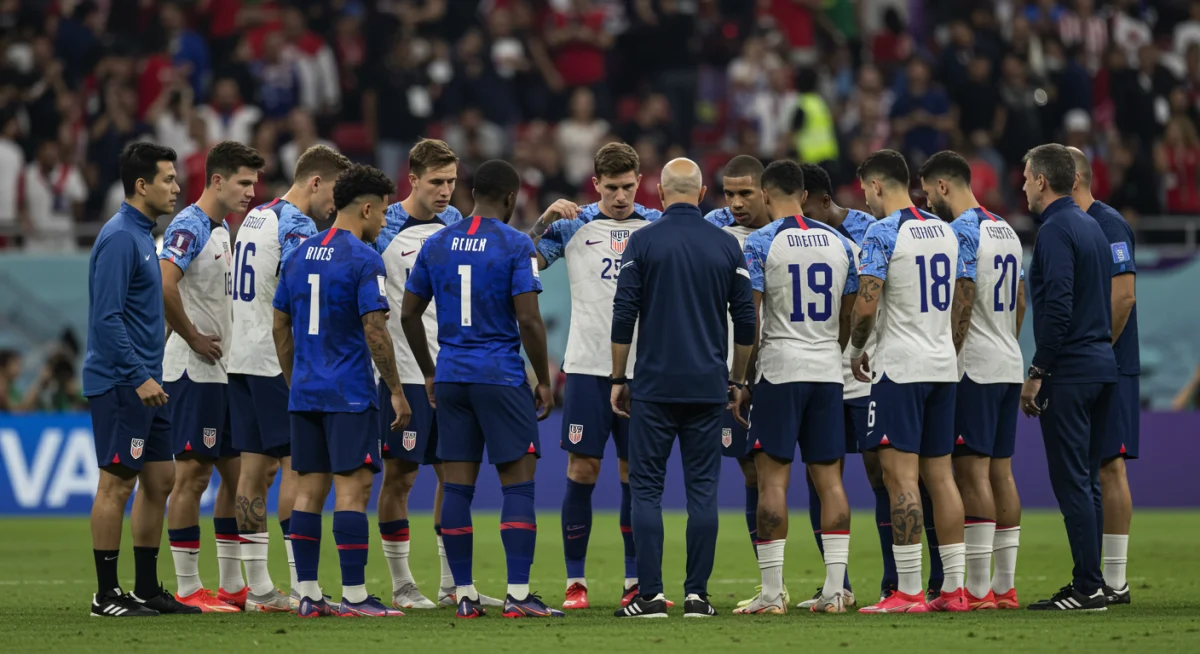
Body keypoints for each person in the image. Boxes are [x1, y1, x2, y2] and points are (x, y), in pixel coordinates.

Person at [400, 159, 562, 620]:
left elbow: (409, 314)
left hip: (451, 376)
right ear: (511, 198)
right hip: (500, 376)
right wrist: (543, 379)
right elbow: (529, 319)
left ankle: (465, 595)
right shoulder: (515, 244)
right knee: (518, 486)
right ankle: (518, 594)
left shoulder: (437, 243)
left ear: (471, 194)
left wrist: (429, 372)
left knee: (456, 487)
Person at [611, 157, 756, 619]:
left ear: (658, 191)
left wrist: (618, 377)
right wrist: (737, 379)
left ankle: (650, 597)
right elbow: (746, 320)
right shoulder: (726, 244)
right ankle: (697, 597)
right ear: (702, 192)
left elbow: (624, 314)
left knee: (646, 491)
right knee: (703, 494)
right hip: (707, 387)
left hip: (653, 387)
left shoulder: (642, 241)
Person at [527, 142, 664, 610]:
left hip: (642, 371)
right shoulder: (572, 224)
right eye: (611, 188)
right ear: (595, 185)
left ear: (639, 181)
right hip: (587, 368)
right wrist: (543, 219)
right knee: (582, 470)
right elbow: (519, 261)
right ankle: (575, 582)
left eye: (627, 186)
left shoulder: (656, 225)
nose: (621, 197)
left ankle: (634, 580)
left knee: (633, 475)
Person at [272, 164, 410, 618]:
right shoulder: (365, 259)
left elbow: (280, 325)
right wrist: (396, 390)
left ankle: (309, 594)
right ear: (366, 208)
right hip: (349, 391)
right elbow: (375, 329)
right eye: (383, 212)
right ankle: (354, 595)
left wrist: (294, 379)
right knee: (355, 488)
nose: (385, 221)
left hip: (305, 391)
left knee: (309, 490)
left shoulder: (298, 255)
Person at [373, 139, 504, 610]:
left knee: (454, 474)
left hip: (449, 372)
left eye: (452, 181)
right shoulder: (383, 227)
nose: (446, 190)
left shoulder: (455, 225)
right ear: (413, 180)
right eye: (436, 182)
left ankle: (452, 583)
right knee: (401, 477)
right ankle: (402, 584)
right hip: (406, 374)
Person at [227, 144, 352, 612]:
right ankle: (304, 586)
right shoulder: (297, 226)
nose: (335, 206)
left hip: (241, 358)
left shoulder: (257, 216)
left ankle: (259, 588)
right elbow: (305, 292)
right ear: (315, 182)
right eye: (334, 193)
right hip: (276, 363)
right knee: (300, 470)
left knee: (252, 472)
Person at [732, 160, 858, 616]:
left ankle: (771, 594)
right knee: (830, 481)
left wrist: (741, 378)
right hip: (827, 370)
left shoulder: (761, 242)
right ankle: (836, 591)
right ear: (804, 195)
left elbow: (750, 316)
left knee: (773, 481)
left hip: (780, 369)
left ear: (766, 196)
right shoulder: (841, 243)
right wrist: (831, 349)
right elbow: (850, 313)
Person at [849, 149, 968, 614]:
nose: (866, 199)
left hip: (900, 368)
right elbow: (961, 299)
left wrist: (856, 350)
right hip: (942, 366)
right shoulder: (946, 230)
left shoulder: (882, 233)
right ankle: (955, 590)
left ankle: (910, 591)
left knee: (900, 478)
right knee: (941, 477)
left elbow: (865, 306)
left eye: (865, 190)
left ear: (877, 185)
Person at [84, 142, 198, 617]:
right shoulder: (119, 238)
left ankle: (147, 588)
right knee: (117, 483)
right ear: (141, 185)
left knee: (161, 479)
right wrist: (137, 376)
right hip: (122, 383)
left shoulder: (143, 237)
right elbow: (106, 318)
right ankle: (106, 595)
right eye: (168, 179)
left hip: (150, 381)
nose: (176, 187)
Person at [920, 151, 1026, 610]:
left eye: (929, 193)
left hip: (974, 367)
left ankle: (979, 591)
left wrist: (951, 353)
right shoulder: (1007, 229)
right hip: (1008, 360)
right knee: (1002, 473)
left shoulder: (960, 232)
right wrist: (1005, 341)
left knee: (971, 473)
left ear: (944, 186)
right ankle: (1004, 587)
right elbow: (1020, 298)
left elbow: (962, 297)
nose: (928, 203)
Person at [160, 142, 262, 613]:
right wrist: (194, 337)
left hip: (222, 372)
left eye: (254, 183)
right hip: (192, 371)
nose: (251, 192)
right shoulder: (189, 225)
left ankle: (233, 585)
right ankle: (187, 588)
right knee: (193, 476)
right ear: (217, 180)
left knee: (235, 475)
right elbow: (164, 283)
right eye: (244, 182)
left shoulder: (222, 229)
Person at [1020, 143, 1117, 611]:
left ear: (1042, 180)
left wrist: (1037, 371)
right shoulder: (1091, 225)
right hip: (1100, 365)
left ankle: (1088, 587)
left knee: (1072, 482)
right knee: (1089, 481)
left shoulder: (1056, 229)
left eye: (1026, 178)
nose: (1022, 186)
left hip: (1072, 372)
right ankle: (1090, 581)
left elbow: (1058, 306)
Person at [702, 155, 793, 609]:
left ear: (766, 192)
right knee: (749, 470)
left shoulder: (785, 235)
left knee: (815, 472)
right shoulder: (713, 230)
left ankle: (839, 582)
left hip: (782, 369)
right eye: (729, 194)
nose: (735, 203)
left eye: (745, 193)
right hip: (732, 373)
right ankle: (771, 583)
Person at [799, 162, 882, 606]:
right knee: (820, 474)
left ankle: (895, 583)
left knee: (882, 472)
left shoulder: (870, 231)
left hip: (866, 370)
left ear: (825, 201)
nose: (801, 219)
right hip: (823, 372)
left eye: (807, 210)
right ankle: (839, 585)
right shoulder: (789, 233)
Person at [1068, 146, 1139, 606]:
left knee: (1109, 465)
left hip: (1110, 364)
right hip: (1094, 363)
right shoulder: (1076, 226)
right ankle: (1095, 577)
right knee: (1093, 467)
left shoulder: (1108, 224)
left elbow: (1124, 297)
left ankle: (1115, 581)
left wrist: (1097, 349)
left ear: (1073, 178)